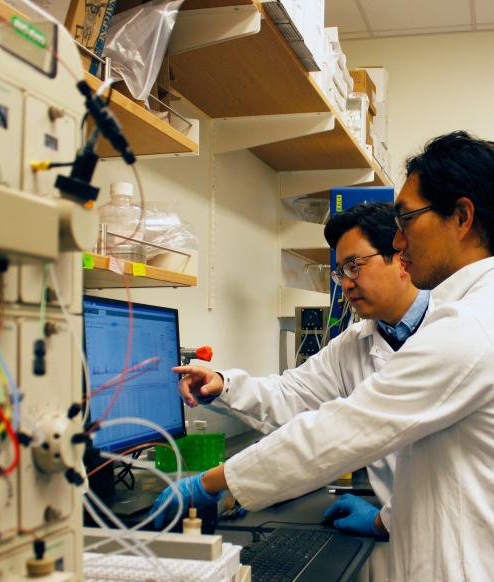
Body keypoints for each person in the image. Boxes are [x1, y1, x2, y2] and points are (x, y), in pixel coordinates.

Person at [157, 131, 494, 582]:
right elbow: (302, 399)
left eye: (407, 220)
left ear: (462, 217)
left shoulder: (474, 327)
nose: (399, 239)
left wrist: (210, 485)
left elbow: (339, 430)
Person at [160, 202, 427, 536]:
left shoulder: (446, 333)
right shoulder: (355, 342)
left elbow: (334, 433)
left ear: (401, 256)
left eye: (354, 266)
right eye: (341, 271)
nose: (345, 284)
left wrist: (214, 482)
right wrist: (222, 384)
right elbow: (292, 394)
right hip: (402, 529)